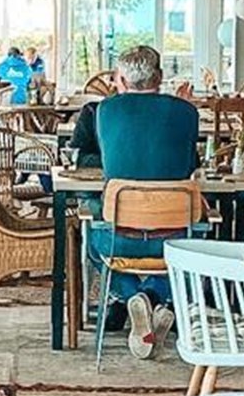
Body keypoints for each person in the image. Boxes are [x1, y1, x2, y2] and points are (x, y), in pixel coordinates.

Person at [69, 45, 201, 359]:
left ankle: (133, 296)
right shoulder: (187, 113)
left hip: (118, 239)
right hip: (176, 240)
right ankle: (155, 297)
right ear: (160, 76)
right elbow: (190, 166)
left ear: (122, 79)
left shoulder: (105, 111)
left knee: (92, 243)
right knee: (201, 245)